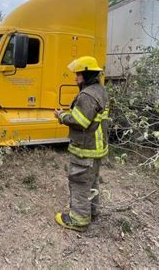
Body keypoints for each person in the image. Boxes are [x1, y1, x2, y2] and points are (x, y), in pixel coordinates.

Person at [54, 56, 109, 232]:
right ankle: (92, 211)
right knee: (91, 181)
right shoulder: (100, 90)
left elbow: (81, 121)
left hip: (86, 148)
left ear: (86, 75)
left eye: (78, 74)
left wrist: (61, 116)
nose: (75, 77)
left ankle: (78, 220)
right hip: (97, 148)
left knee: (79, 181)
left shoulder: (87, 95)